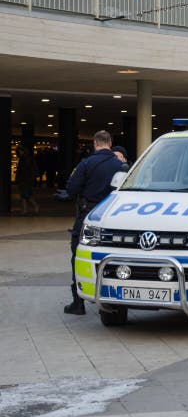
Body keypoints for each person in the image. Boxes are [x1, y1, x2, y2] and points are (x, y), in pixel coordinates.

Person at [64, 131, 125, 315]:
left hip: (88, 215)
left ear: (95, 143)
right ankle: (112, 301)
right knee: (113, 256)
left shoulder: (86, 163)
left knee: (79, 255)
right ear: (110, 143)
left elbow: (72, 188)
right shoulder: (121, 166)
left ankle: (78, 302)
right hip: (114, 217)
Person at [15, 145, 40, 215]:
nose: (20, 152)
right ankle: (26, 209)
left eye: (20, 151)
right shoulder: (26, 158)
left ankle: (31, 208)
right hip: (26, 179)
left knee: (26, 195)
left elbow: (23, 170)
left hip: (25, 180)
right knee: (25, 195)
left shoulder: (24, 159)